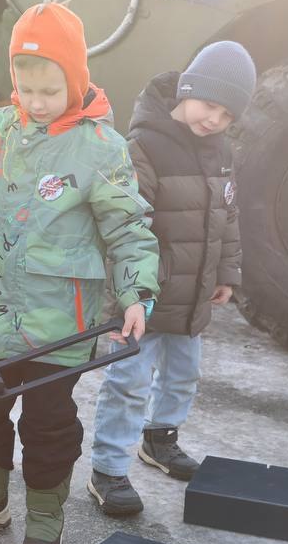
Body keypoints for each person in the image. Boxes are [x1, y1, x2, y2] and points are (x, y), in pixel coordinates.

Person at [0, 0, 160, 544]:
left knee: (49, 424)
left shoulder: (101, 148)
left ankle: (47, 511)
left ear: (76, 80)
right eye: (25, 91)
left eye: (50, 92)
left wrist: (135, 293)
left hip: (60, 324)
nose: (36, 103)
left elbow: (128, 228)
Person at [87, 41, 254, 515]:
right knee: (128, 382)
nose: (214, 119)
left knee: (183, 375)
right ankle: (109, 470)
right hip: (141, 296)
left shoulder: (220, 151)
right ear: (189, 89)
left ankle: (160, 438)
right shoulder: (143, 145)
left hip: (194, 292)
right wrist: (131, 290)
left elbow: (228, 212)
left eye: (226, 114)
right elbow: (125, 222)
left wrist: (226, 271)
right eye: (208, 105)